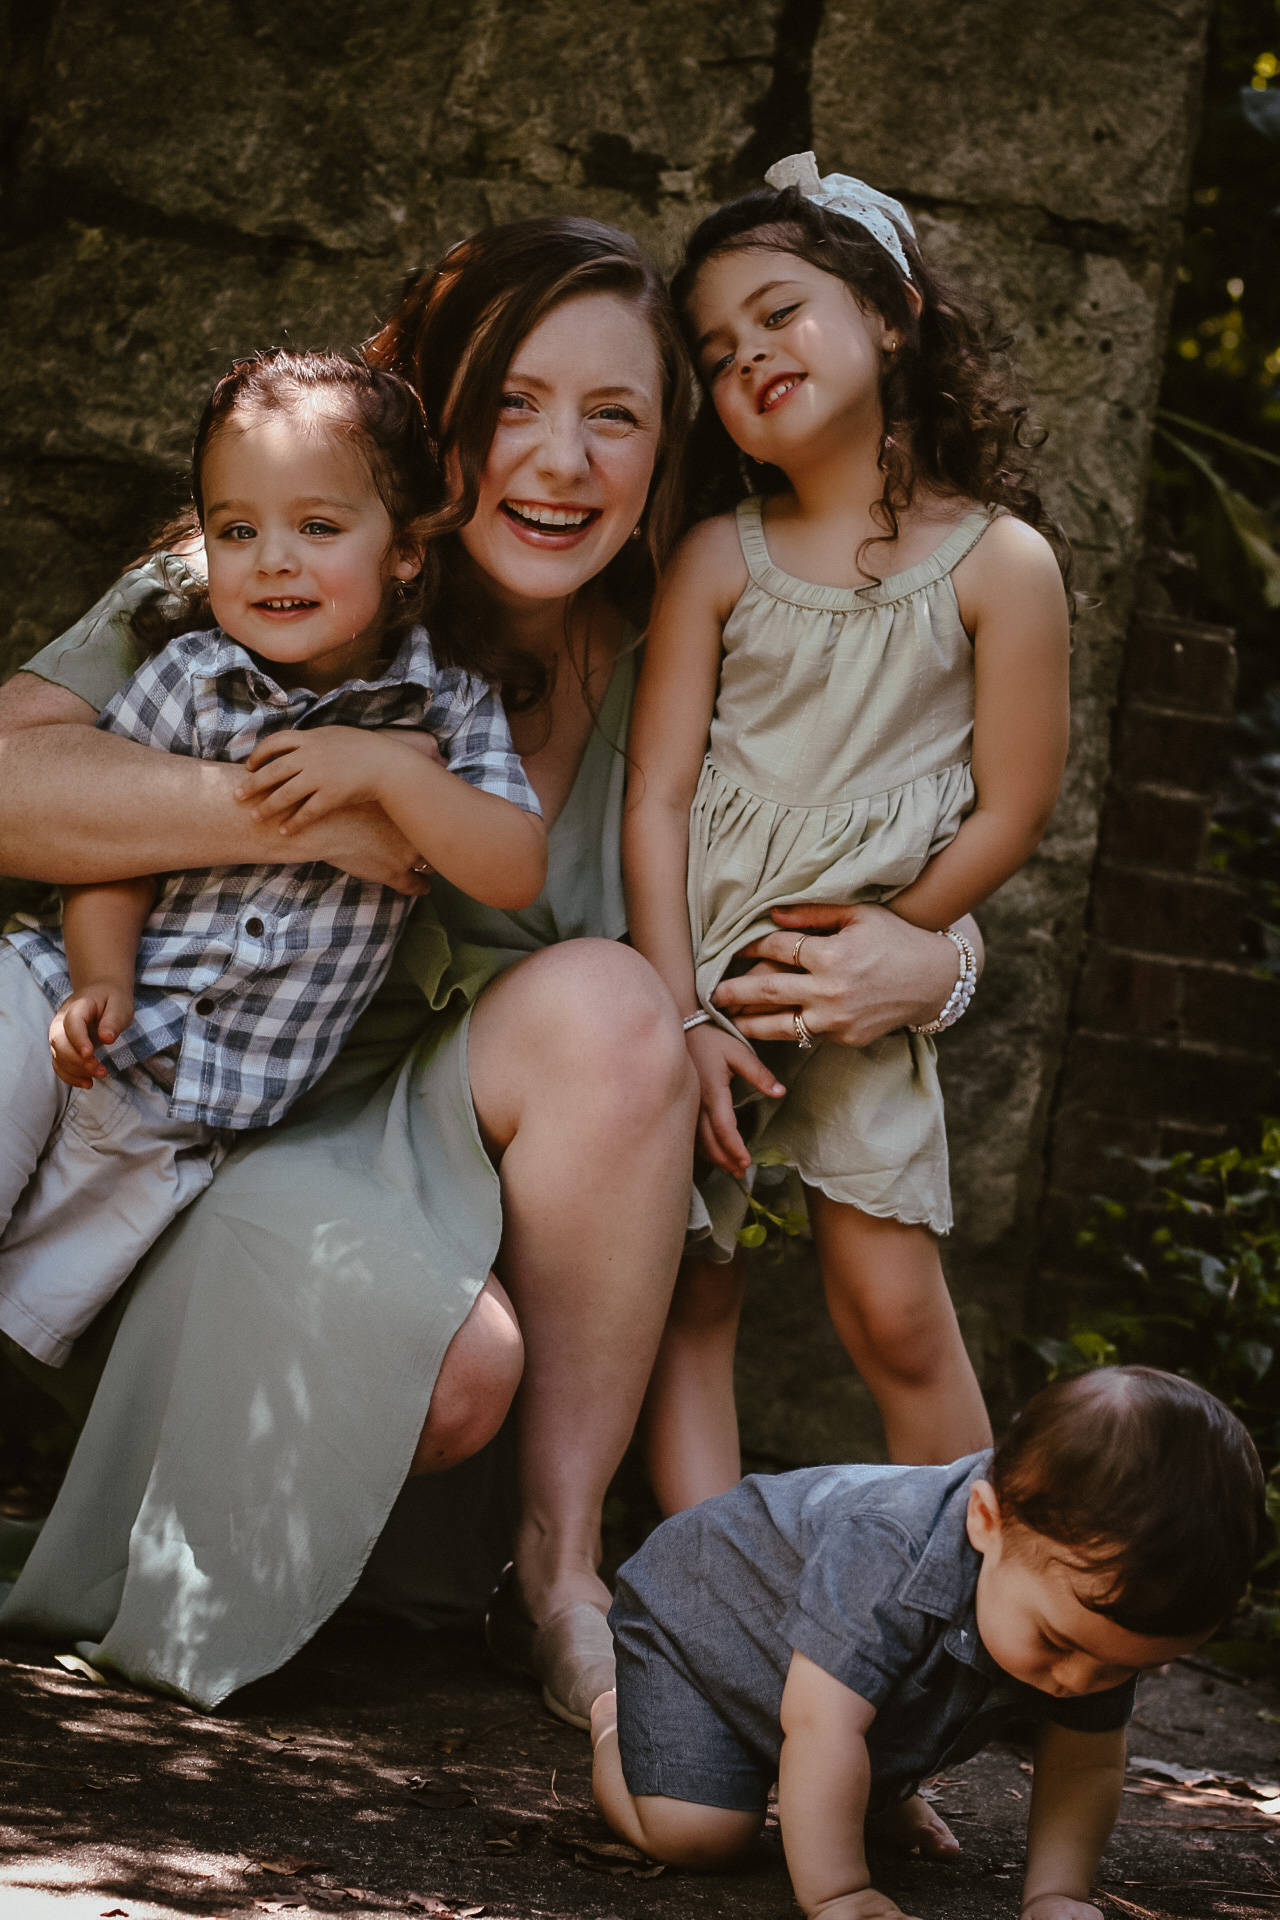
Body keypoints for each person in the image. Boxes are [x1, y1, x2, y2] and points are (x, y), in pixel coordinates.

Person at [0, 218, 975, 1721]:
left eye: (616, 416)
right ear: (434, 418)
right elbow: (15, 782)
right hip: (203, 1138)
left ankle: (562, 1572)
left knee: (612, 1005)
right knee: (451, 1362)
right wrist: (326, 802)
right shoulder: (296, 549)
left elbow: (874, 853)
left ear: (670, 451)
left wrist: (940, 961)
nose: (561, 461)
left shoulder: (694, 652)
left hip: (448, 1164)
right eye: (514, 403)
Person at [628, 153, 1071, 1509]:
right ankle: (698, 1604)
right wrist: (679, 1013)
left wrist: (905, 943)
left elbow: (1016, 804)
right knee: (688, 1304)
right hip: (705, 982)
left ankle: (983, 1595)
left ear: (888, 315)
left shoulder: (1000, 564)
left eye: (781, 312)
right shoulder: (718, 557)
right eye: (715, 349)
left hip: (864, 994)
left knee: (890, 1310)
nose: (748, 354)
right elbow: (655, 798)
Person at [0, 349, 545, 1369]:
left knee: (21, 1334)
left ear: (406, 552)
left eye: (319, 527)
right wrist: (99, 979)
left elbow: (512, 867)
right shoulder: (192, 675)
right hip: (46, 1020)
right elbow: (112, 851)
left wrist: (389, 776)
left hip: (182, 1126)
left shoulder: (449, 706)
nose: (273, 560)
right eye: (236, 531)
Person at [592, 1367, 1263, 1920]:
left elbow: (1085, 1765)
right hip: (700, 1624)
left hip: (818, 1683)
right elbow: (821, 1726)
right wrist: (841, 1893)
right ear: (984, 1521)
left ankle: (870, 1787)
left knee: (861, 1717)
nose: (1078, 1682)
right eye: (1057, 1644)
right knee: (702, 1834)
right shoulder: (888, 1551)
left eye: (1121, 1669)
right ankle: (616, 1723)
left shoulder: (1088, 1603)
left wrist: (1056, 1895)